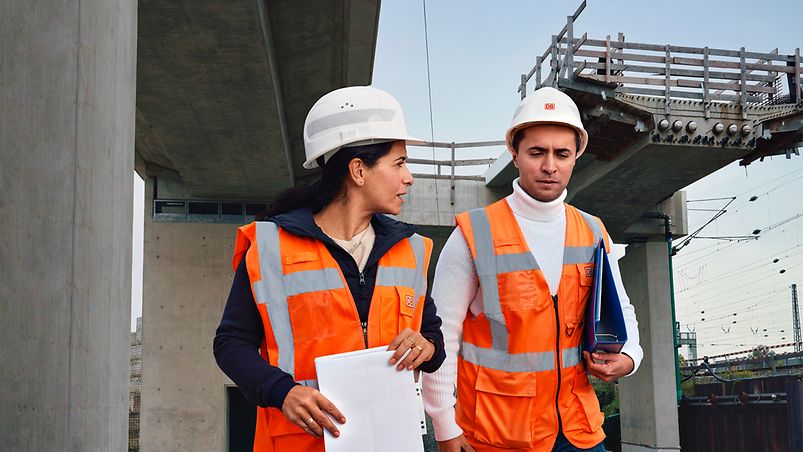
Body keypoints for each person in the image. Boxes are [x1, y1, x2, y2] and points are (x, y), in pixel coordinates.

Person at [214, 86, 446, 452]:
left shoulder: (410, 251)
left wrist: (426, 346)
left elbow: (432, 335)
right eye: (399, 163)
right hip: (299, 443)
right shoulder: (270, 247)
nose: (409, 177)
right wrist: (284, 392)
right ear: (358, 170)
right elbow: (230, 344)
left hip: (389, 441)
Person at [422, 87, 643, 452]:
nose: (549, 166)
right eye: (537, 152)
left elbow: (622, 308)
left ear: (577, 157)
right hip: (497, 435)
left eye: (562, 154)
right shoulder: (472, 235)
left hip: (578, 430)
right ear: (514, 152)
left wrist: (631, 357)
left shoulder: (592, 231)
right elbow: (442, 335)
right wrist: (445, 428)